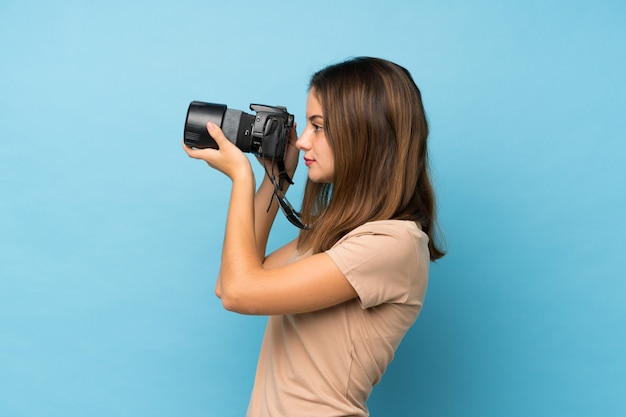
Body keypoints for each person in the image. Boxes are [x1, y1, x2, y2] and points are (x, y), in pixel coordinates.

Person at [183, 56, 445, 417]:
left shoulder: (391, 243)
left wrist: (240, 179)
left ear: (365, 133)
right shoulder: (340, 234)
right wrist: (275, 179)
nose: (303, 141)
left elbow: (239, 293)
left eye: (318, 127)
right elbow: (233, 280)